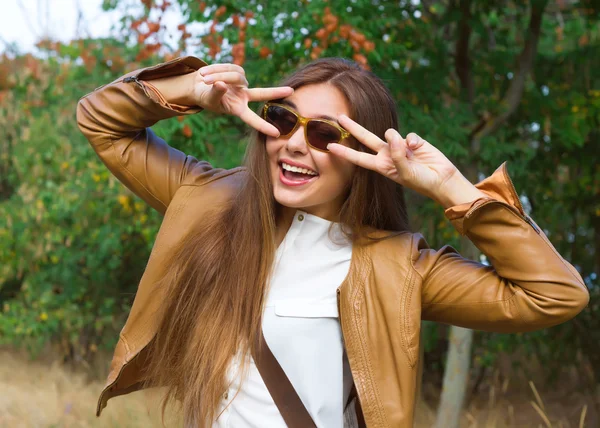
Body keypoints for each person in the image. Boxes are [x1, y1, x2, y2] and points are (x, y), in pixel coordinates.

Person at [76, 55, 589, 428]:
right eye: (283, 120)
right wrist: (195, 88)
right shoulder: (211, 202)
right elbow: (101, 121)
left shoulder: (393, 265)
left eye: (324, 134)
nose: (296, 142)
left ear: (364, 154)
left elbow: (554, 295)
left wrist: (450, 187)